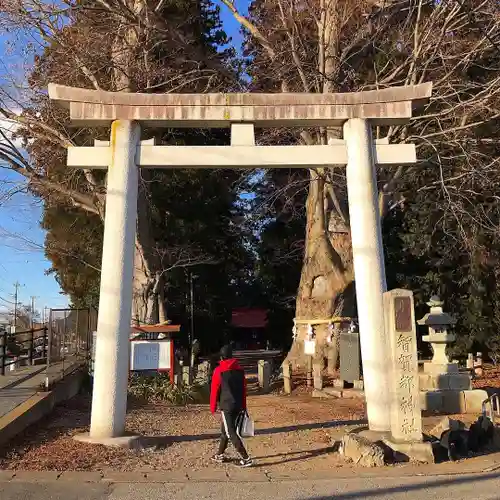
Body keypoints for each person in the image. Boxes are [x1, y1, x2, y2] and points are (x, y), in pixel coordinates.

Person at [210, 344, 252, 467]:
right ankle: (219, 455)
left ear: (221, 357)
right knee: (225, 430)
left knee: (230, 433)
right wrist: (244, 407)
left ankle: (246, 458)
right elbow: (244, 390)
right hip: (238, 405)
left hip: (227, 405)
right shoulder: (240, 370)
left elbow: (214, 390)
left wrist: (213, 408)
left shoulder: (219, 371)